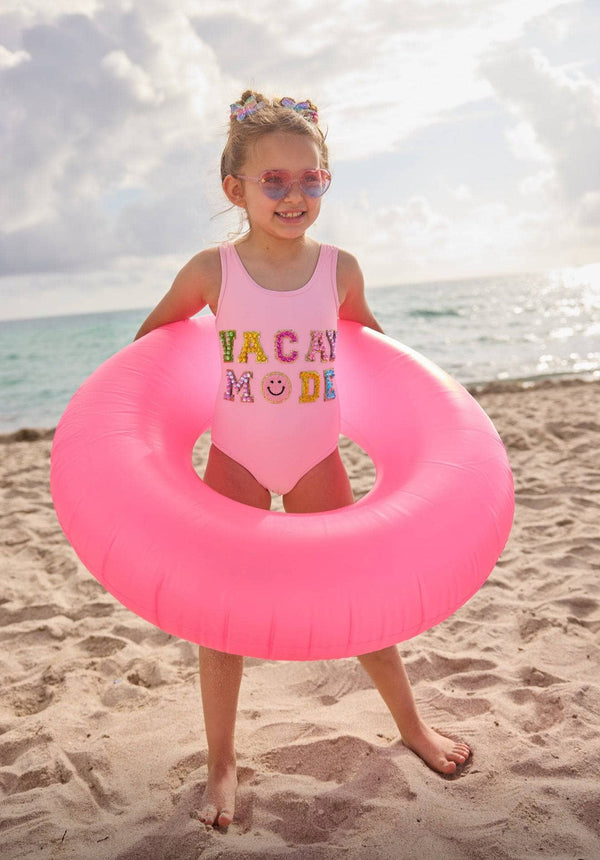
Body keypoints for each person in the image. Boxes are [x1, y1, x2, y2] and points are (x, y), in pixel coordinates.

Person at [135, 90, 471, 828]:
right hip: (236, 459)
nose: (293, 195)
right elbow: (145, 359)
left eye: (309, 179)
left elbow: (380, 367)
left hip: (317, 456)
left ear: (325, 181)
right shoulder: (211, 271)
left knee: (364, 601)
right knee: (220, 619)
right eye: (273, 181)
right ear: (237, 188)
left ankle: (411, 725)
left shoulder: (340, 269)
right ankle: (223, 761)